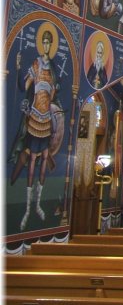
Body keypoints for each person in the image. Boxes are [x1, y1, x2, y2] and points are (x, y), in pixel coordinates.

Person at [10, 27, 63, 230]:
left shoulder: (53, 68)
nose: (47, 46)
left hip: (47, 120)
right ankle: (26, 209)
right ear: (42, 44)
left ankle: (38, 204)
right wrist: (17, 68)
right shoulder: (36, 64)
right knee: (32, 159)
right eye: (45, 42)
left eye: (50, 43)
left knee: (43, 160)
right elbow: (24, 86)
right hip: (34, 117)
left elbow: (54, 93)